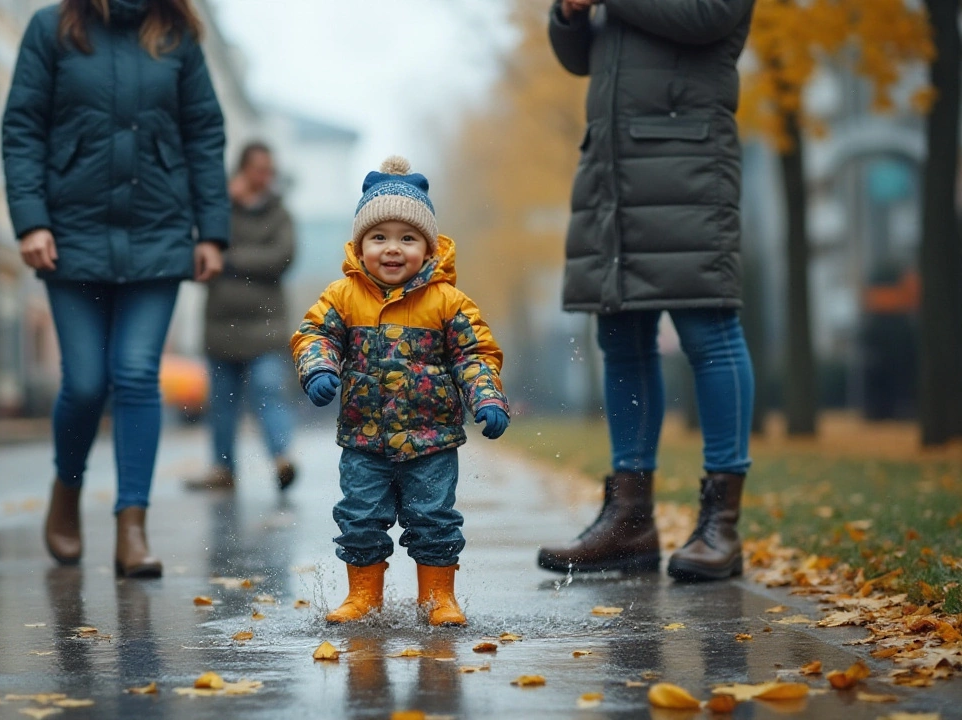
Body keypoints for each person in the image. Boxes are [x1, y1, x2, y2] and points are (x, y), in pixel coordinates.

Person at [2, 0, 228, 577]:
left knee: (133, 373)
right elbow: (24, 125)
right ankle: (66, 490)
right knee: (83, 384)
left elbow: (204, 133)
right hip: (71, 233)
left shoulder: (175, 33)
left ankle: (133, 527)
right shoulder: (52, 27)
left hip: (158, 232)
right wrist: (31, 220)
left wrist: (212, 231)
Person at [537, 0, 757, 581]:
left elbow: (711, 15)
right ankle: (630, 520)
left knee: (708, 327)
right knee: (620, 334)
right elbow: (577, 58)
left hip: (686, 162)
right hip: (611, 168)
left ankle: (722, 527)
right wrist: (568, 14)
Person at [291, 157, 510, 627]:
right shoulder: (343, 296)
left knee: (433, 518)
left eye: (407, 238)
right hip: (364, 440)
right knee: (361, 517)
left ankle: (438, 599)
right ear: (360, 245)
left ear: (428, 249)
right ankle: (363, 596)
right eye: (380, 237)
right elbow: (315, 334)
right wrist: (319, 367)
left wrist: (487, 397)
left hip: (432, 441)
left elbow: (475, 354)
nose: (393, 249)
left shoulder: (448, 302)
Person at [187, 142, 297, 492]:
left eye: (270, 170)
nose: (266, 177)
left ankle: (282, 458)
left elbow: (281, 257)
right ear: (243, 170)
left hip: (266, 326)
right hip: (221, 325)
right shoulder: (219, 208)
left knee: (268, 390)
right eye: (259, 169)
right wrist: (221, 202)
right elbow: (199, 252)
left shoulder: (279, 213)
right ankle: (222, 469)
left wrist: (231, 261)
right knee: (222, 402)